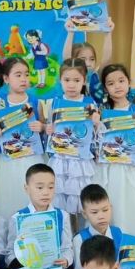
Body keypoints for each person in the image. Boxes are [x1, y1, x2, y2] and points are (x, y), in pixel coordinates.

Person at [93, 64, 135, 238]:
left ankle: (134, 237)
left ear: (129, 82)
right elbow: (98, 140)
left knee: (132, 199)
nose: (117, 86)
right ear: (105, 88)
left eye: (121, 81)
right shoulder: (103, 111)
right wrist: (97, 125)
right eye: (111, 83)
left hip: (130, 165)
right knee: (112, 199)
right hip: (110, 167)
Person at [6, 164, 73, 269]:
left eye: (51, 187)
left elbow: (67, 248)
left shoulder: (62, 215)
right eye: (40, 187)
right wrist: (21, 264)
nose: (46, 192)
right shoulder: (17, 218)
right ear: (26, 188)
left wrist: (66, 260)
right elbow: (10, 253)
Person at [0, 57, 45, 218]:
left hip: (32, 156)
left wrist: (41, 127)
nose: (23, 79)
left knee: (32, 192)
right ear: (6, 78)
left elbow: (44, 124)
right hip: (7, 160)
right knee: (9, 193)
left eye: (26, 74)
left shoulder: (35, 101)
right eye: (18, 75)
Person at [45, 58, 99, 219]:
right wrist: (49, 129)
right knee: (60, 194)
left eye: (76, 80)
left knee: (80, 194)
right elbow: (51, 127)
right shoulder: (56, 102)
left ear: (84, 81)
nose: (71, 85)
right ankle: (64, 228)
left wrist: (96, 123)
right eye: (67, 80)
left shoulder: (89, 103)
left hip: (80, 159)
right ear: (60, 80)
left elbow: (95, 135)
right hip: (60, 158)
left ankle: (81, 228)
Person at [62, 17, 115, 105]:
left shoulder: (97, 75)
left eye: (92, 59)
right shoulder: (70, 73)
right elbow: (67, 59)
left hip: (98, 112)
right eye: (83, 59)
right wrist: (70, 32)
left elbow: (107, 58)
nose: (88, 63)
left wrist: (108, 32)